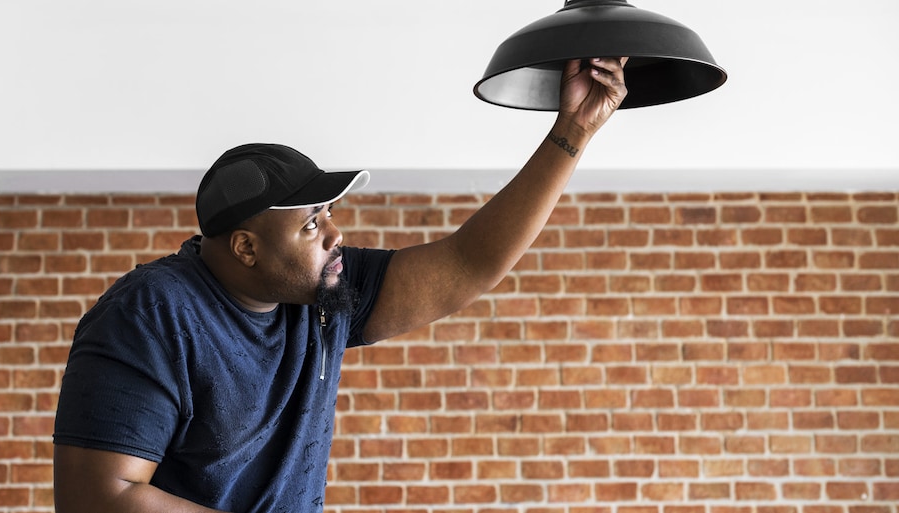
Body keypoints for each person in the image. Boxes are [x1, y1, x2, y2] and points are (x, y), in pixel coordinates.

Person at [52, 57, 628, 513]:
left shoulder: (323, 295)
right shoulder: (151, 314)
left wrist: (573, 130)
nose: (335, 234)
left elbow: (467, 264)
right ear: (246, 248)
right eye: (310, 223)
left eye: (328, 212)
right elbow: (100, 498)